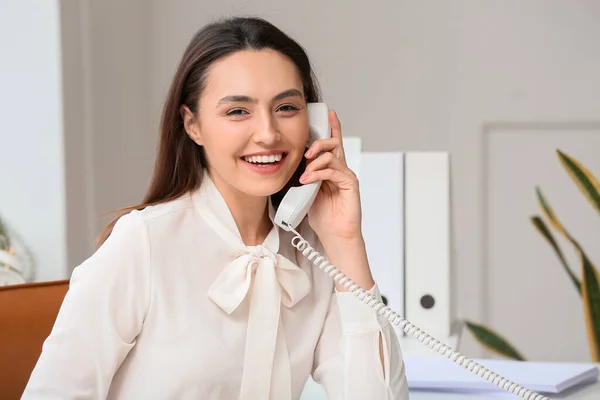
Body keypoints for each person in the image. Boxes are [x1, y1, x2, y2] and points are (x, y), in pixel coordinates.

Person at [22, 16, 409, 400]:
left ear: (312, 122)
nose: (268, 134)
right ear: (193, 125)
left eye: (287, 107)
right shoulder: (143, 243)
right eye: (238, 111)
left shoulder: (314, 251)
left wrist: (346, 244)